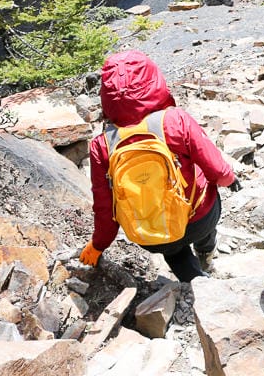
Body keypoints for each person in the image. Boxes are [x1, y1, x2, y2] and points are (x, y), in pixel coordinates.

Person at [79, 50, 240, 282]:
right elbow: (216, 169)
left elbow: (105, 209)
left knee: (173, 251)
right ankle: (206, 251)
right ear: (154, 80)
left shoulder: (101, 145)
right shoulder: (175, 120)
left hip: (151, 233)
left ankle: (195, 282)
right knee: (207, 203)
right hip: (198, 219)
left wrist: (98, 245)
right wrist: (230, 179)